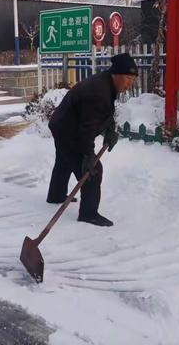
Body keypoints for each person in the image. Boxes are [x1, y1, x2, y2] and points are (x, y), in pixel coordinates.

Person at [46, 53, 138, 227]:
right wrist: (88, 155)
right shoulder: (99, 91)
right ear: (116, 74)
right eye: (128, 78)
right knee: (93, 171)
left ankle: (56, 195)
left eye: (133, 80)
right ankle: (89, 213)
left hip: (62, 124)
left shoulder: (106, 84)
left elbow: (104, 112)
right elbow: (86, 128)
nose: (130, 83)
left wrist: (110, 129)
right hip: (68, 129)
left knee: (64, 160)